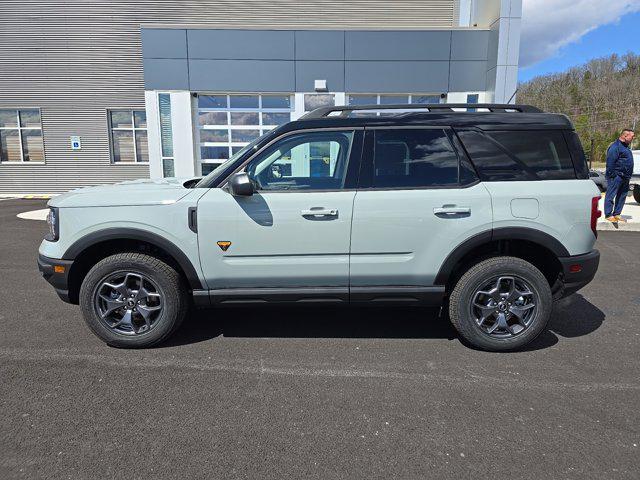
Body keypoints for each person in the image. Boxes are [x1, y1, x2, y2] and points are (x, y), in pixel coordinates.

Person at [604, 128, 635, 223]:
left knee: (622, 195)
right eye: (632, 136)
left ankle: (617, 214)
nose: (633, 138)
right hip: (616, 176)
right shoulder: (615, 146)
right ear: (625, 136)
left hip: (625, 176)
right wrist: (613, 175)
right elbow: (610, 162)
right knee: (611, 195)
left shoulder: (625, 147)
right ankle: (608, 214)